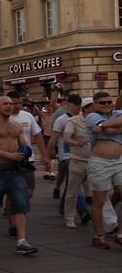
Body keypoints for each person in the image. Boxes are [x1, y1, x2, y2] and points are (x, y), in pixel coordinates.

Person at [0, 96, 38, 255]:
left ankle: (21, 241)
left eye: (11, 104)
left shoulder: (16, 126)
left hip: (15, 170)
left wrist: (25, 153)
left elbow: (24, 144)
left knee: (20, 204)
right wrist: (9, 155)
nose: (9, 106)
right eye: (5, 104)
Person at [85, 92, 122, 248]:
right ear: (94, 105)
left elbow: (106, 129)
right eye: (102, 102)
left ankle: (120, 234)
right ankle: (99, 236)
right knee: (99, 201)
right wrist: (112, 127)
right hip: (100, 163)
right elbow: (110, 131)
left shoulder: (118, 113)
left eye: (109, 101)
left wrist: (101, 126)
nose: (107, 104)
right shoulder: (91, 117)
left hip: (119, 161)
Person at [62, 98, 94, 229]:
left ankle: (108, 220)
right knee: (72, 192)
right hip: (78, 161)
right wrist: (76, 143)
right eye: (93, 106)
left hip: (96, 161)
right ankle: (69, 217)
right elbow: (66, 138)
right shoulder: (73, 121)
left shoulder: (100, 120)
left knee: (100, 191)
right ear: (85, 108)